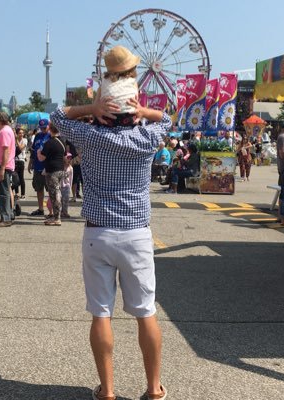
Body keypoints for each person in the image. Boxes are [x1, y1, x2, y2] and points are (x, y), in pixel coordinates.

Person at [51, 88, 171, 399]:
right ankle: (153, 388)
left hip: (98, 233)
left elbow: (57, 116)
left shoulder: (90, 136)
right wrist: (143, 112)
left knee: (101, 313)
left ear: (104, 112)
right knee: (146, 312)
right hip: (136, 235)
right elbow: (167, 118)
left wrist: (91, 107)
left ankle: (108, 390)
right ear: (132, 112)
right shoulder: (147, 138)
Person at [96, 45, 139, 127]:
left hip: (107, 121)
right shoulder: (133, 82)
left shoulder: (104, 83)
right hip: (129, 120)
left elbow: (96, 105)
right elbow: (136, 104)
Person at [37, 123, 66, 226]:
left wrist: (38, 152)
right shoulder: (62, 141)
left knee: (54, 194)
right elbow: (65, 155)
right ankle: (56, 216)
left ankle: (57, 218)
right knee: (57, 192)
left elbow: (42, 158)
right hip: (61, 170)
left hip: (52, 171)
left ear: (50, 130)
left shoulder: (49, 143)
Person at [0, 111, 16, 227]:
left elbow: (6, 151)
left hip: (2, 166)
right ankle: (8, 215)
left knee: (3, 193)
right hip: (2, 165)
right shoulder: (6, 130)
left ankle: (5, 218)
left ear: (0, 120)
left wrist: (2, 168)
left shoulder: (4, 131)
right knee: (4, 191)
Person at [27, 119, 50, 216]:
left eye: (45, 127)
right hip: (37, 167)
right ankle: (41, 209)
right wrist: (30, 163)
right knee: (39, 188)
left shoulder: (51, 136)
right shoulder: (37, 136)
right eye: (41, 128)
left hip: (48, 167)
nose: (43, 129)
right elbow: (33, 151)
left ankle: (52, 211)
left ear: (48, 126)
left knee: (51, 190)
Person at [14, 128, 28, 199]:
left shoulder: (25, 140)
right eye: (19, 133)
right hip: (14, 161)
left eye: (22, 133)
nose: (21, 134)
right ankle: (16, 193)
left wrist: (16, 140)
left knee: (21, 178)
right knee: (15, 178)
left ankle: (23, 194)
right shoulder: (13, 140)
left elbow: (20, 148)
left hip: (21, 161)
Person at [61, 152, 73, 219]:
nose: (69, 160)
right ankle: (60, 212)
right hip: (60, 186)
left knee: (66, 200)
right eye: (68, 158)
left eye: (70, 158)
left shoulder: (70, 168)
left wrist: (70, 187)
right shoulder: (61, 167)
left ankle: (65, 212)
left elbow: (71, 178)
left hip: (67, 186)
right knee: (60, 200)